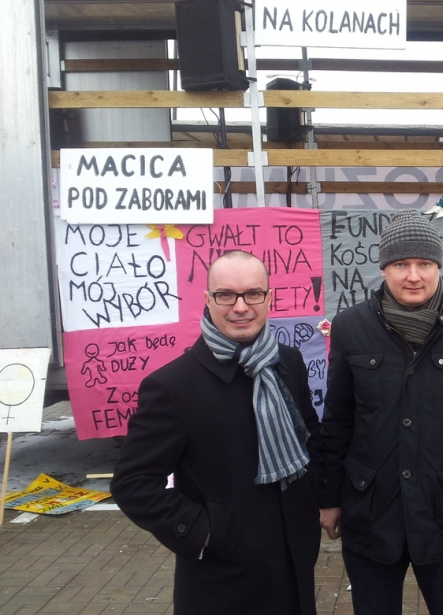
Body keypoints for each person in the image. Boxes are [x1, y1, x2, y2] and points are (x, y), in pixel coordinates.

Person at [111, 250, 321, 615]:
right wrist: (203, 532)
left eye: (253, 293)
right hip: (222, 578)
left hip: (293, 561)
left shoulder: (287, 362)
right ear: (208, 300)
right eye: (226, 295)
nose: (240, 307)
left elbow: (310, 439)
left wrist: (323, 502)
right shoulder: (173, 386)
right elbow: (133, 483)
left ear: (269, 298)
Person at [318, 209, 443, 615]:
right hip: (370, 513)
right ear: (384, 268)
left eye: (424, 264)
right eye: (401, 264)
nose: (413, 276)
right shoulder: (350, 327)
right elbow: (338, 420)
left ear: (439, 267)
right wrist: (328, 498)